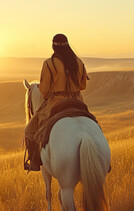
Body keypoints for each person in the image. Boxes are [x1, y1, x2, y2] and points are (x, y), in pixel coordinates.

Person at [24, 33, 90, 171]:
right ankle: (104, 161)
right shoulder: (78, 62)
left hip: (56, 104)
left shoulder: (49, 64)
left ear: (53, 46)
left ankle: (35, 163)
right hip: (77, 102)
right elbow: (83, 86)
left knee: (30, 129)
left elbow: (43, 91)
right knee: (91, 124)